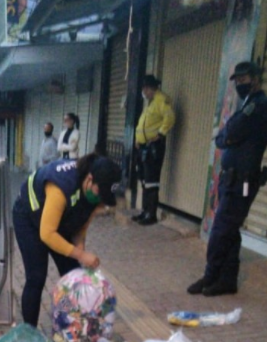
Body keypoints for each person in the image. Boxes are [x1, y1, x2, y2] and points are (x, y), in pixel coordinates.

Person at [187, 61, 267, 297]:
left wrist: (227, 136)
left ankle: (211, 275)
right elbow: (224, 137)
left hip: (243, 182)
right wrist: (226, 136)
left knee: (220, 230)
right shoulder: (247, 104)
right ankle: (227, 280)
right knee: (230, 230)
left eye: (244, 79)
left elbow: (231, 132)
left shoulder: (261, 105)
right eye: (237, 80)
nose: (239, 84)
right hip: (232, 180)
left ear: (256, 78)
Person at [12, 153, 122, 328]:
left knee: (73, 274)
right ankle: (29, 332)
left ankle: (72, 324)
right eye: (100, 193)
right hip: (29, 217)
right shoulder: (62, 186)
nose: (101, 201)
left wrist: (80, 251)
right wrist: (81, 254)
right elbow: (47, 234)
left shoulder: (94, 194)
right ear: (89, 179)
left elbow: (81, 226)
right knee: (36, 277)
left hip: (58, 219)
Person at [132, 75, 176, 226]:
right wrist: (138, 140)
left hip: (153, 147)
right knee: (144, 181)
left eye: (145, 89)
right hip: (143, 147)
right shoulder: (150, 102)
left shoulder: (161, 100)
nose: (144, 92)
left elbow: (169, 118)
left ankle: (151, 214)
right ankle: (145, 211)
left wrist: (161, 134)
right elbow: (145, 124)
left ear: (151, 88)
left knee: (151, 182)